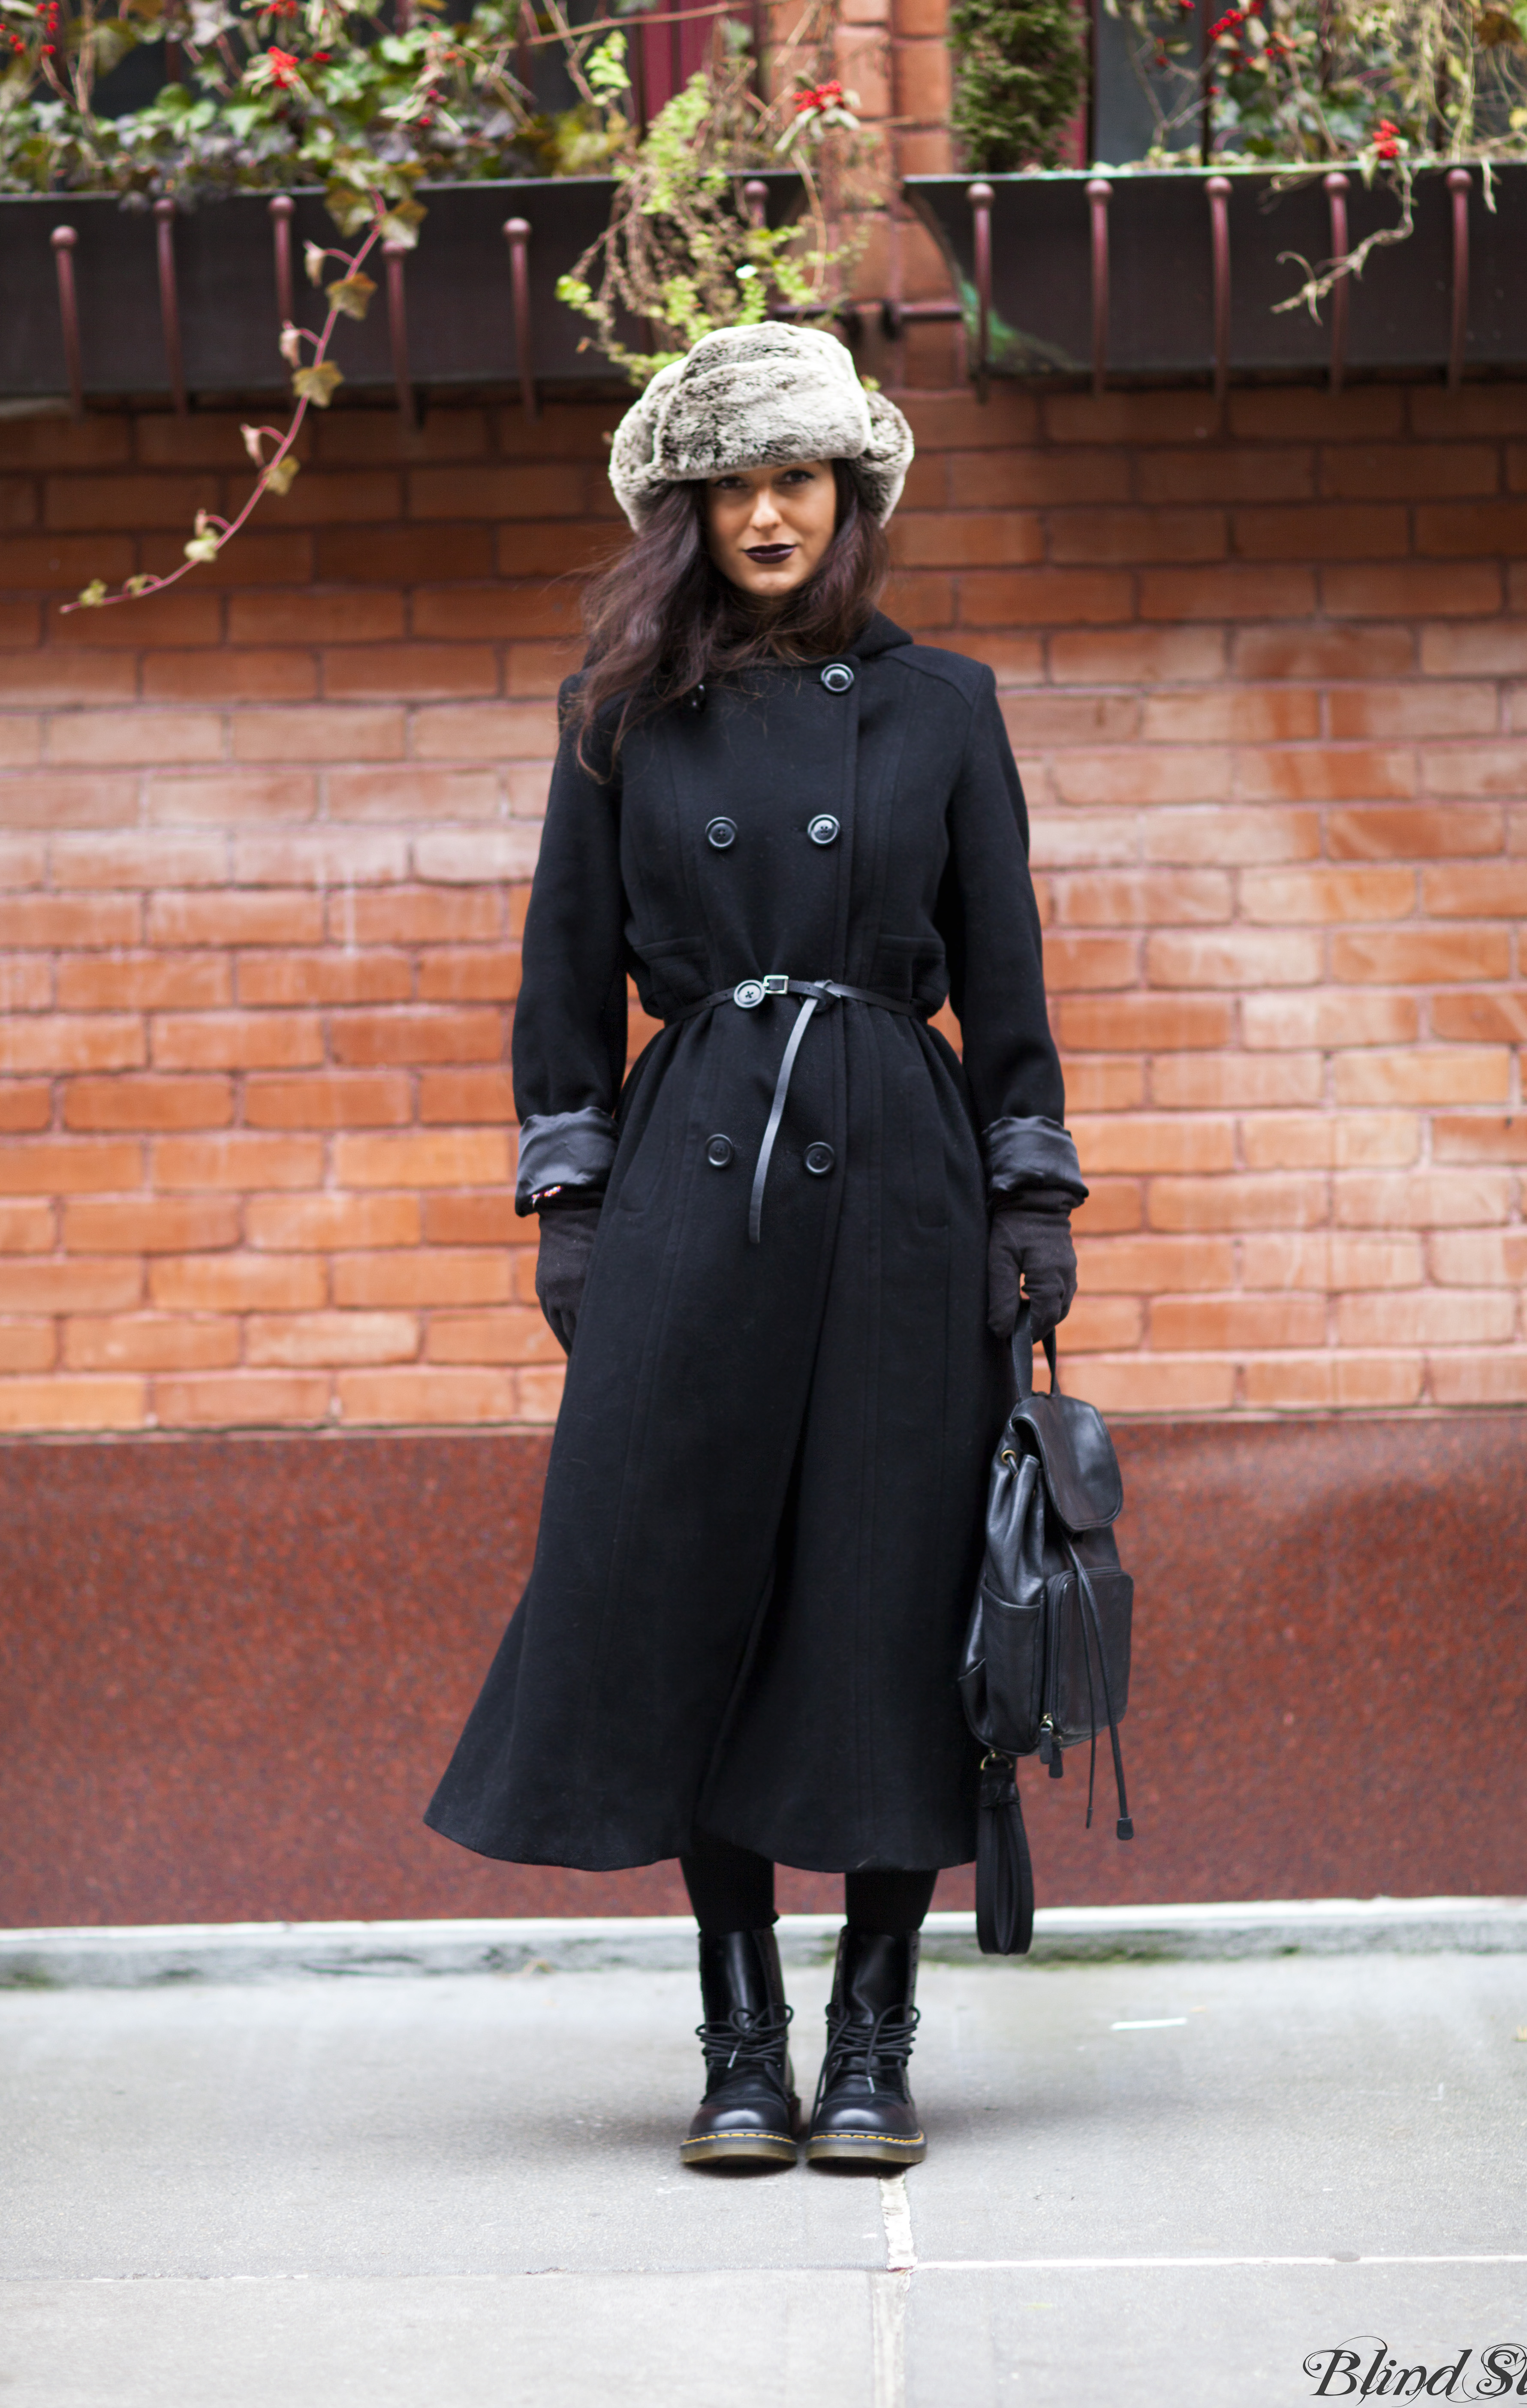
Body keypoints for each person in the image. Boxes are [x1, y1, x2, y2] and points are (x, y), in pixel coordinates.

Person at [426, 322, 1085, 2172]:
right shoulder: (615, 711)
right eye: (736, 484)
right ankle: (740, 2036)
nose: (770, 512)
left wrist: (1031, 1190)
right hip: (692, 1178)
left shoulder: (945, 706)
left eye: (799, 478)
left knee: (886, 1601)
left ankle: (873, 2036)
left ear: (849, 500)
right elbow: (562, 980)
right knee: (680, 1586)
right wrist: (570, 1197)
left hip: (897, 1175)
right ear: (689, 513)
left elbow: (1010, 973)